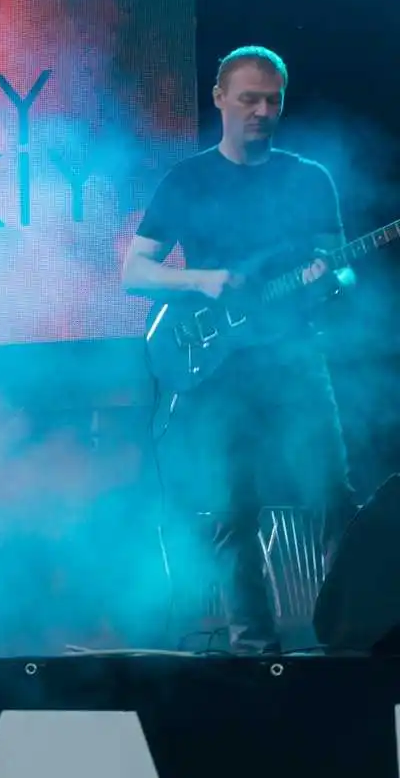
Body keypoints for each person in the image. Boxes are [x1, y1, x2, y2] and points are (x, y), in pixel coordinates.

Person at [121, 45, 358, 653]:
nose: (262, 112)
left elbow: (340, 268)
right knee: (231, 509)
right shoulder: (188, 180)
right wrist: (201, 280)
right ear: (220, 98)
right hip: (218, 368)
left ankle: (351, 636)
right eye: (250, 99)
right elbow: (134, 272)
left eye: (273, 101)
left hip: (293, 357)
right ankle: (253, 649)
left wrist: (331, 277)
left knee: (332, 497)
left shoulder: (309, 178)